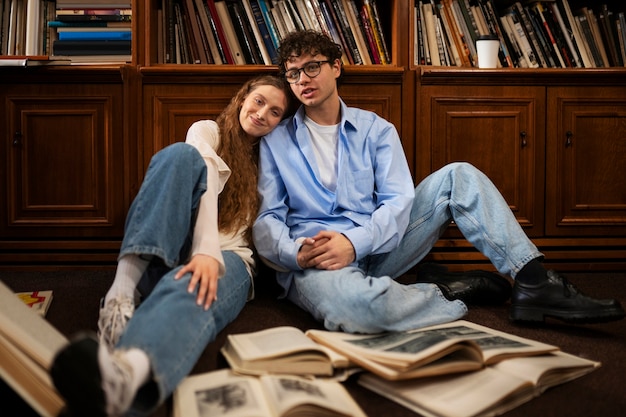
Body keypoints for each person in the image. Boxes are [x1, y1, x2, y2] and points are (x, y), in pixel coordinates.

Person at [253, 30, 625, 334]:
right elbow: (267, 217)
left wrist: (355, 241)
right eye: (293, 72)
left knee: (459, 175)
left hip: (378, 245)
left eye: (312, 67)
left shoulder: (376, 130)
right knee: (357, 309)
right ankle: (444, 290)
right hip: (317, 260)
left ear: (336, 67)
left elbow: (398, 203)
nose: (302, 79)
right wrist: (296, 253)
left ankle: (533, 281)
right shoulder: (277, 139)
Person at [50, 75, 295, 417]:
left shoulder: (271, 160)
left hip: (231, 260)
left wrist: (214, 257)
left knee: (190, 288)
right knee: (181, 156)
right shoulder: (207, 130)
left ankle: (125, 375)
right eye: (259, 101)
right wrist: (204, 250)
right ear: (242, 98)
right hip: (174, 248)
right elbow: (207, 176)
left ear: (279, 123)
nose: (262, 113)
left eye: (275, 112)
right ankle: (120, 296)